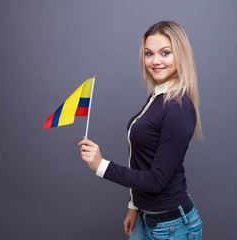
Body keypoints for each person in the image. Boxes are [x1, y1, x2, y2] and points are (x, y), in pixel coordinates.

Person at [79, 20, 203, 239]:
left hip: (173, 227)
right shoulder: (158, 96)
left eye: (165, 53)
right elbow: (143, 160)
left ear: (180, 56)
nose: (155, 61)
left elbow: (156, 180)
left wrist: (101, 165)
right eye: (149, 54)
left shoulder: (177, 108)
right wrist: (134, 207)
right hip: (147, 221)